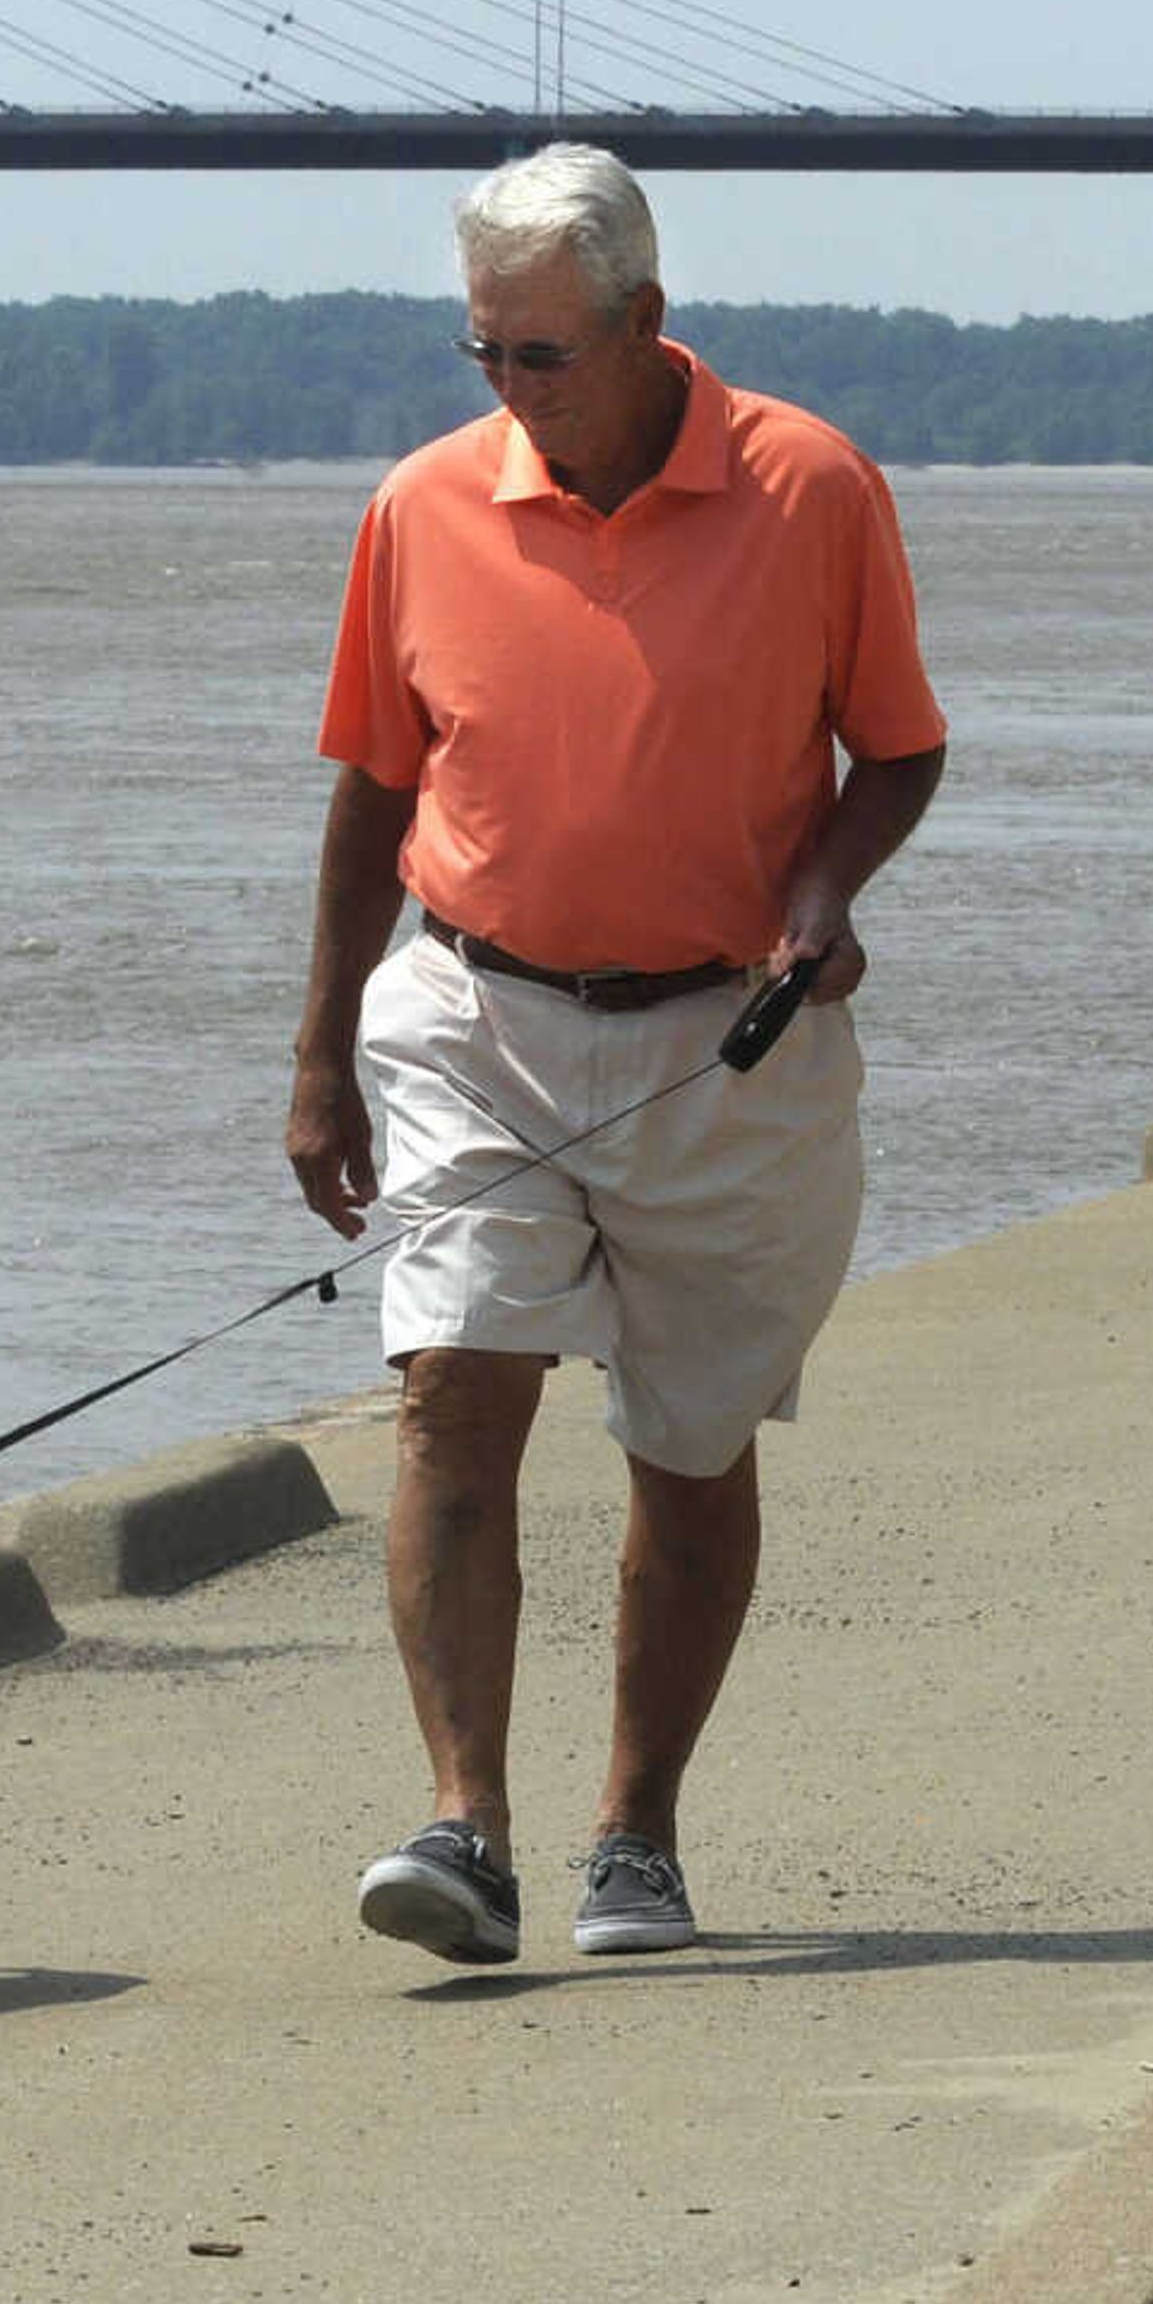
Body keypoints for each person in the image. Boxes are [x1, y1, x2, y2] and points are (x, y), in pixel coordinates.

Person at [283, 141, 948, 1966]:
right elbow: (370, 790)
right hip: (474, 1015)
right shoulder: (421, 506)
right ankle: (463, 1826)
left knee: (689, 1441)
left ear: (649, 325)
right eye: (482, 353)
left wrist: (823, 888)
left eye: (541, 357)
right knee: (454, 1393)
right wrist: (324, 1055)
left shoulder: (813, 489)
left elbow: (896, 748)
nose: (506, 391)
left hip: (729, 1043)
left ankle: (634, 1834)